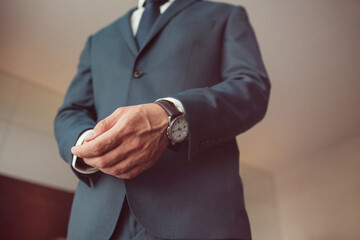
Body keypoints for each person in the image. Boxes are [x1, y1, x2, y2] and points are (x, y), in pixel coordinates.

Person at [54, 0, 271, 239]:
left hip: (197, 218)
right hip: (96, 224)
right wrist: (91, 144)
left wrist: (171, 116)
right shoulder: (97, 41)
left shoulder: (225, 15)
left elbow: (251, 88)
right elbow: (70, 111)